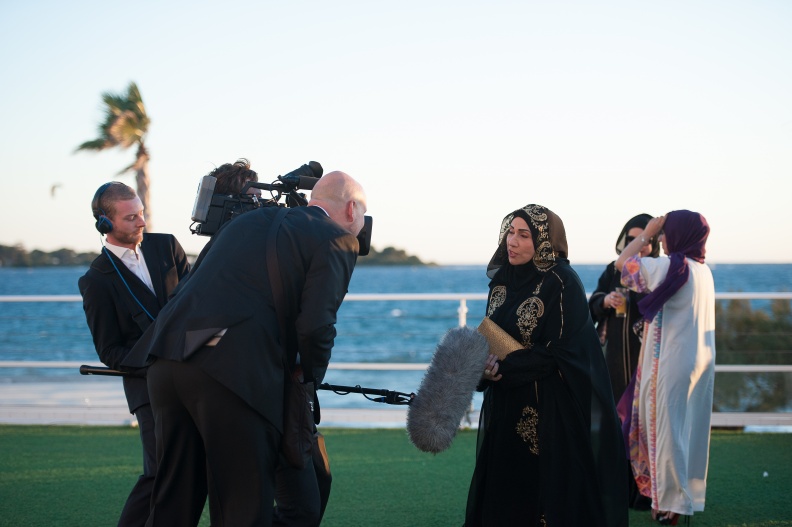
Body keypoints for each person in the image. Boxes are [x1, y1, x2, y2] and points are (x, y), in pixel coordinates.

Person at [124, 171, 367, 527]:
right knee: (242, 506)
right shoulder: (338, 240)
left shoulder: (246, 222)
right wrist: (307, 377)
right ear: (350, 209)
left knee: (173, 500)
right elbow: (316, 326)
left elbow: (193, 286)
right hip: (230, 375)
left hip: (168, 358)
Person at [465, 204, 628, 527]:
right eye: (510, 232)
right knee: (503, 490)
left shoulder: (562, 281)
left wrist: (505, 367)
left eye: (523, 235)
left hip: (547, 408)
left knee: (542, 495)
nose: (512, 241)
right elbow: (492, 333)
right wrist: (481, 366)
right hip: (503, 403)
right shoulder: (501, 281)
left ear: (543, 241)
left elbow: (562, 352)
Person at [208, 156, 334, 526]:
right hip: (251, 394)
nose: (261, 207)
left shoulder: (252, 243)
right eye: (251, 197)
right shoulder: (230, 250)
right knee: (277, 504)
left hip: (282, 393)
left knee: (313, 487)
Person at [78, 181, 190, 526]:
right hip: (147, 389)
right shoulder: (95, 280)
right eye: (131, 217)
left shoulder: (167, 246)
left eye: (141, 213)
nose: (142, 222)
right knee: (159, 472)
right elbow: (109, 350)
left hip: (195, 377)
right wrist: (158, 358)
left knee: (196, 470)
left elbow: (197, 302)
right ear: (104, 224)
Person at [615, 210, 715, 525]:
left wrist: (646, 232)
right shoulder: (702, 270)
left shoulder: (673, 266)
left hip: (671, 362)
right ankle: (678, 501)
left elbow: (622, 265)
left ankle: (669, 505)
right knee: (685, 432)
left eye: (665, 232)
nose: (660, 238)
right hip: (696, 363)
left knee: (665, 432)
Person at [589, 214, 660, 512]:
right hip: (617, 360)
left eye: (644, 239)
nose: (637, 244)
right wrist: (606, 301)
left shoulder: (657, 271)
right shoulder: (612, 270)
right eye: (631, 239)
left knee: (645, 426)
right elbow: (592, 304)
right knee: (616, 424)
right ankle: (617, 488)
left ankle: (646, 494)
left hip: (648, 361)